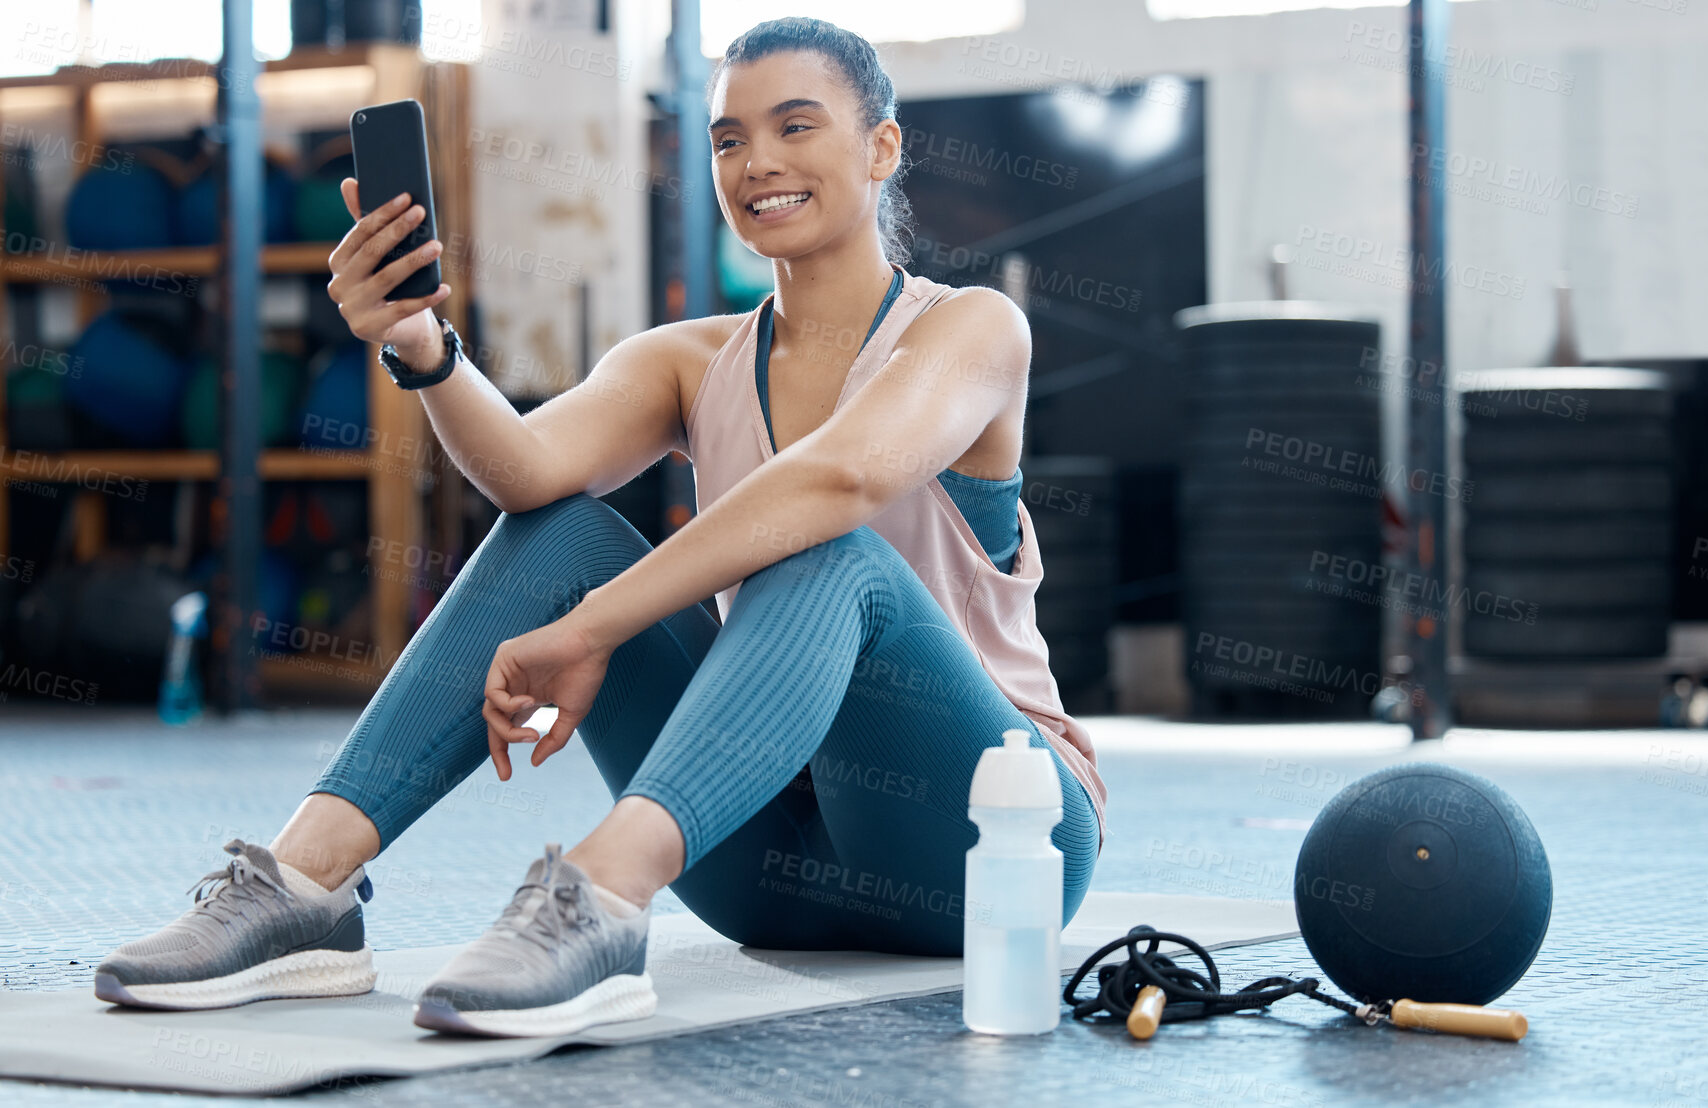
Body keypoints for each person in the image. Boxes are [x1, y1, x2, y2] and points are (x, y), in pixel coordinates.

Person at [93, 16, 1107, 1039]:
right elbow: (525, 471)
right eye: (727, 140)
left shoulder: (972, 329)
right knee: (558, 531)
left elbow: (839, 479)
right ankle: (304, 884)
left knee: (825, 552)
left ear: (880, 147)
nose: (758, 163)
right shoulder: (687, 358)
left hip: (987, 840)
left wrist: (589, 631)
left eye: (796, 128)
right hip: (767, 868)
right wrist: (421, 345)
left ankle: (598, 894)